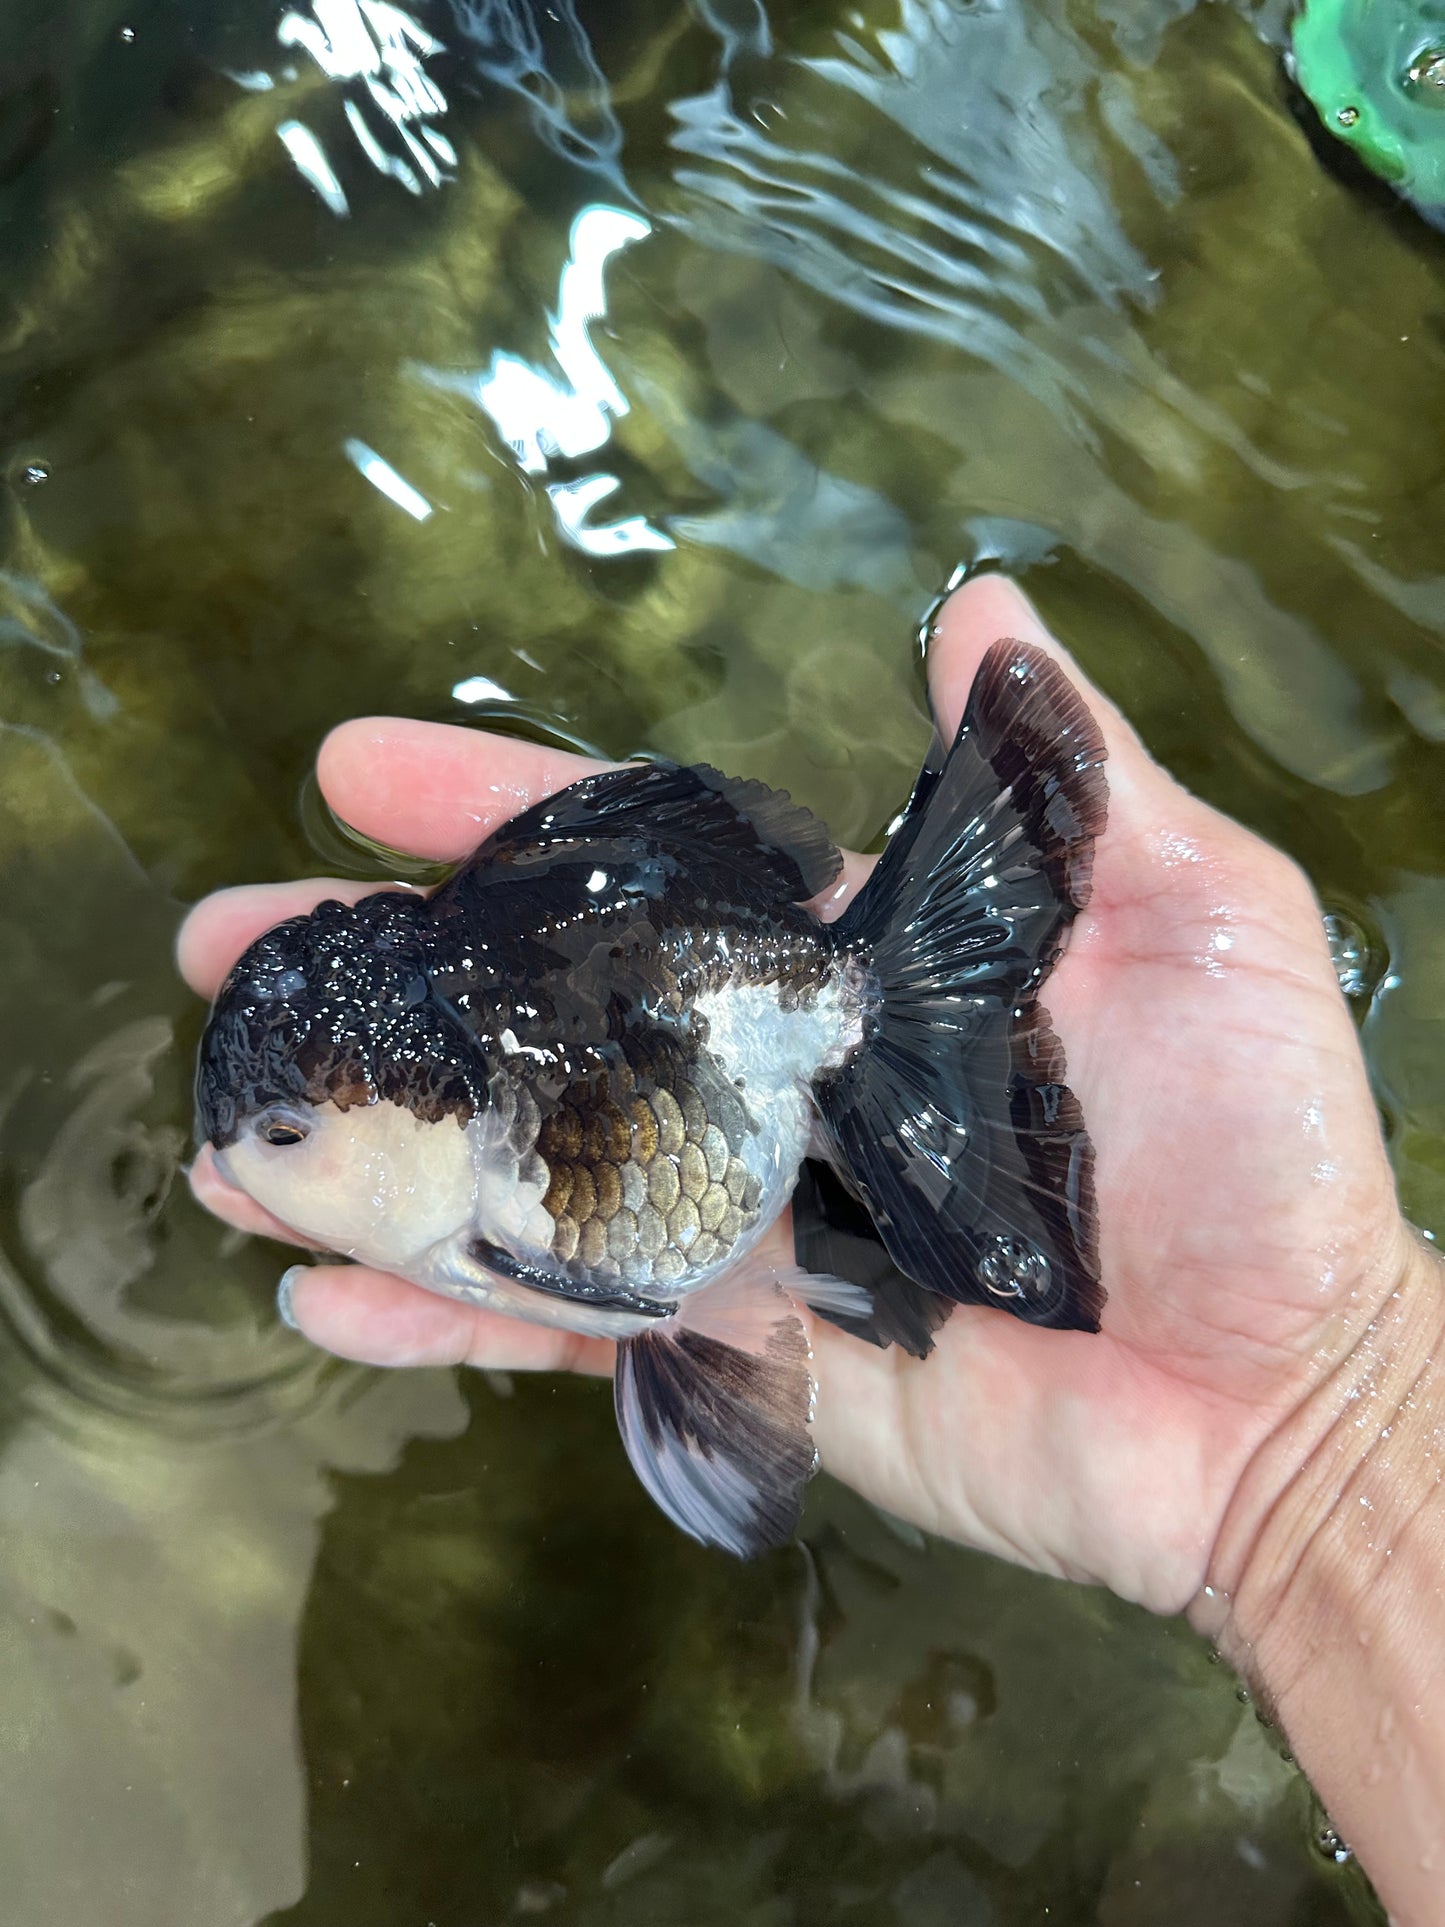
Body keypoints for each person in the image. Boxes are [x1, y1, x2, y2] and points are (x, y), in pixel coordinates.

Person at [180, 574, 1445, 1923]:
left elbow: (644, 1311)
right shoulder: (467, 1153)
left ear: (418, 1114)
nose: (246, 1171)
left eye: (287, 1138)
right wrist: (1323, 1453)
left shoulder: (511, 1190)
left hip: (759, 1043)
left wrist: (1326, 1437)